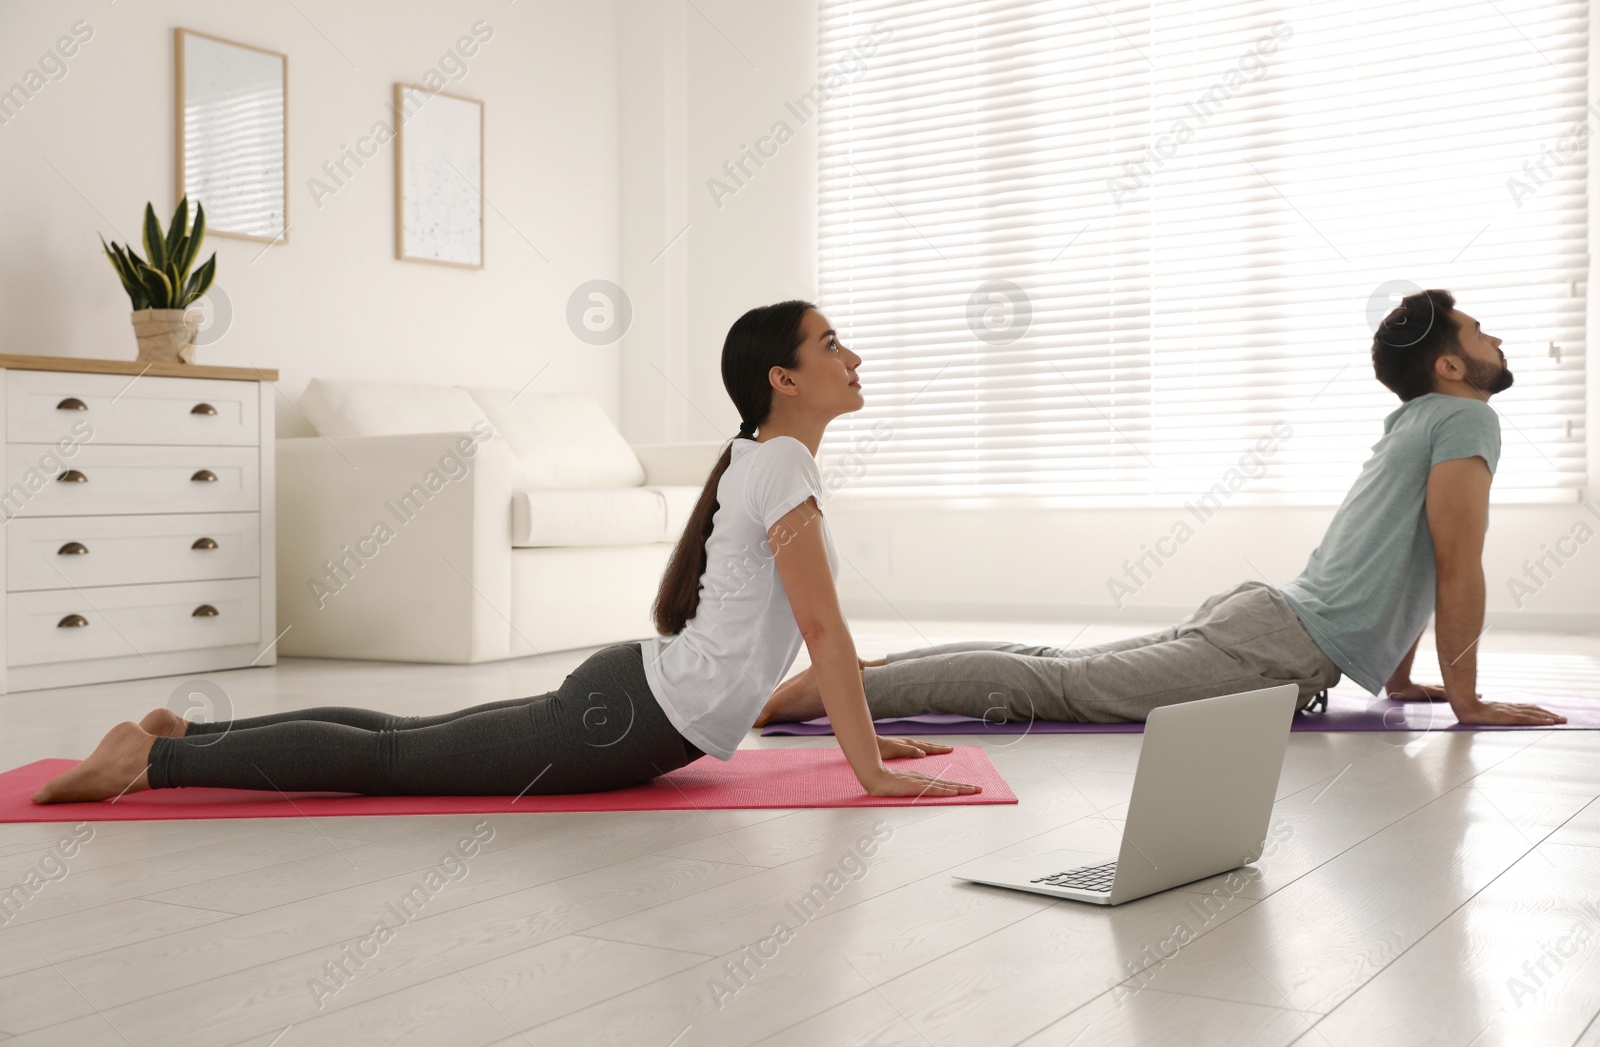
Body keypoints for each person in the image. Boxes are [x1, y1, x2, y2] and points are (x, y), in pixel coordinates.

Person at [33, 300, 983, 804]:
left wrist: (865, 737)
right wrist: (870, 769)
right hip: (627, 715)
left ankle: (183, 735)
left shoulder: (762, 457)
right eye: (832, 342)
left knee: (403, 740)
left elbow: (808, 635)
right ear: (784, 377)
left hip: (629, 695)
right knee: (396, 763)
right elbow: (823, 627)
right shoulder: (784, 467)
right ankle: (148, 765)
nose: (853, 356)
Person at [757, 289, 1568, 731]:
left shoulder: (1424, 420)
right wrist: (1467, 700)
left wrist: (1400, 676)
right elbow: (1455, 563)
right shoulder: (1467, 419)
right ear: (1454, 363)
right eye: (1483, 332)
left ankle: (871, 671)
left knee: (1059, 662)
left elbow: (1411, 555)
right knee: (1066, 686)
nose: (1499, 341)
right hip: (1274, 647)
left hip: (1272, 623)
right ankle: (836, 692)